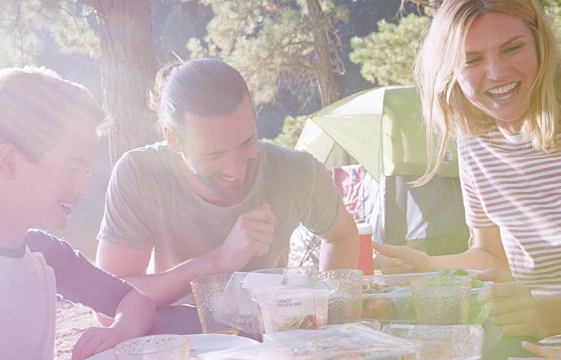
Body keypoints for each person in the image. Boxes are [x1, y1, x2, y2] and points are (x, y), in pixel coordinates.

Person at [95, 58, 360, 326]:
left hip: (272, 342)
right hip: (178, 343)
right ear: (174, 138)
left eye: (247, 143)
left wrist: (332, 323)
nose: (236, 170)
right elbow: (107, 306)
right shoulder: (139, 174)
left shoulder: (296, 171)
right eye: (214, 154)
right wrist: (218, 262)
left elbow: (343, 235)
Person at [0, 67, 155, 360]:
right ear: (9, 162)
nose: (82, 188)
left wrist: (117, 333)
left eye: (86, 171)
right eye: (71, 168)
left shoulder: (46, 253)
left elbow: (135, 301)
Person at [372, 0, 561, 340]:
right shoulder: (476, 142)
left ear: (540, 43)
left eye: (513, 48)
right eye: (472, 60)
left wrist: (548, 313)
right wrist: (426, 266)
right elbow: (493, 257)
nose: (497, 73)